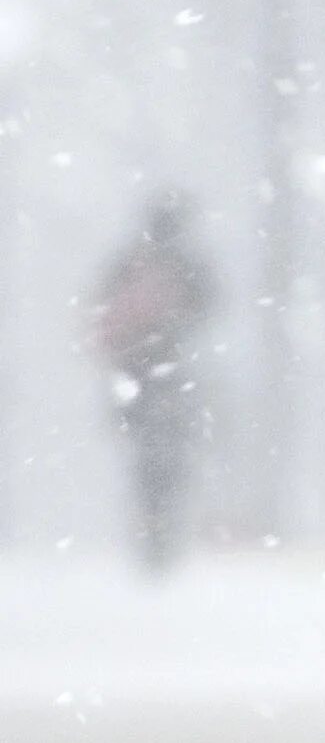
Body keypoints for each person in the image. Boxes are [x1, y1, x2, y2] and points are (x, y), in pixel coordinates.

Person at [90, 191, 218, 573]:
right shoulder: (183, 263)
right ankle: (161, 531)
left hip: (132, 372)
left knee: (143, 459)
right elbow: (210, 302)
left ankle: (149, 528)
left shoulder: (130, 261)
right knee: (170, 458)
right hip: (170, 369)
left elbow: (100, 307)